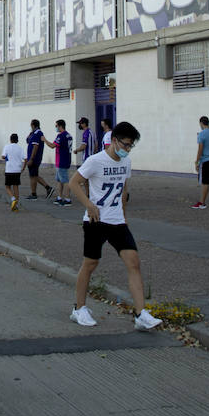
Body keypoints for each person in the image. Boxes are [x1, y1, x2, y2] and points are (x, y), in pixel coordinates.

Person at [68, 121, 162, 331]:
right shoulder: (95, 161)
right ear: (114, 140)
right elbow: (73, 183)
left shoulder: (125, 163)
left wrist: (124, 215)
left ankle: (141, 314)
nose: (127, 149)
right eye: (125, 145)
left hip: (117, 221)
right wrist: (89, 204)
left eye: (130, 146)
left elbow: (124, 190)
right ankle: (79, 309)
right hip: (95, 221)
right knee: (90, 264)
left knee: (133, 262)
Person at [25, 120, 54, 200]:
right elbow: (28, 141)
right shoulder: (34, 134)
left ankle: (34, 193)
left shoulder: (37, 134)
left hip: (34, 158)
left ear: (33, 125)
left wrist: (31, 158)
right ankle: (47, 188)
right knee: (34, 175)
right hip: (34, 158)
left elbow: (35, 147)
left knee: (33, 176)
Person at [50, 120, 74, 205]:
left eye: (56, 126)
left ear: (60, 126)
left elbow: (52, 146)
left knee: (65, 180)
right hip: (66, 159)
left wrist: (44, 140)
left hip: (61, 160)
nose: (56, 128)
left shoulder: (61, 136)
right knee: (59, 180)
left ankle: (67, 199)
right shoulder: (69, 135)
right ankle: (59, 197)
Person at [1, 133, 25, 211]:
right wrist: (23, 168)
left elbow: (3, 156)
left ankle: (13, 198)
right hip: (17, 170)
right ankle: (16, 205)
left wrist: (7, 157)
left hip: (9, 169)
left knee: (7, 186)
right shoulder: (20, 148)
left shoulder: (7, 147)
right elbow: (25, 159)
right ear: (17, 140)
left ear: (10, 139)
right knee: (16, 187)